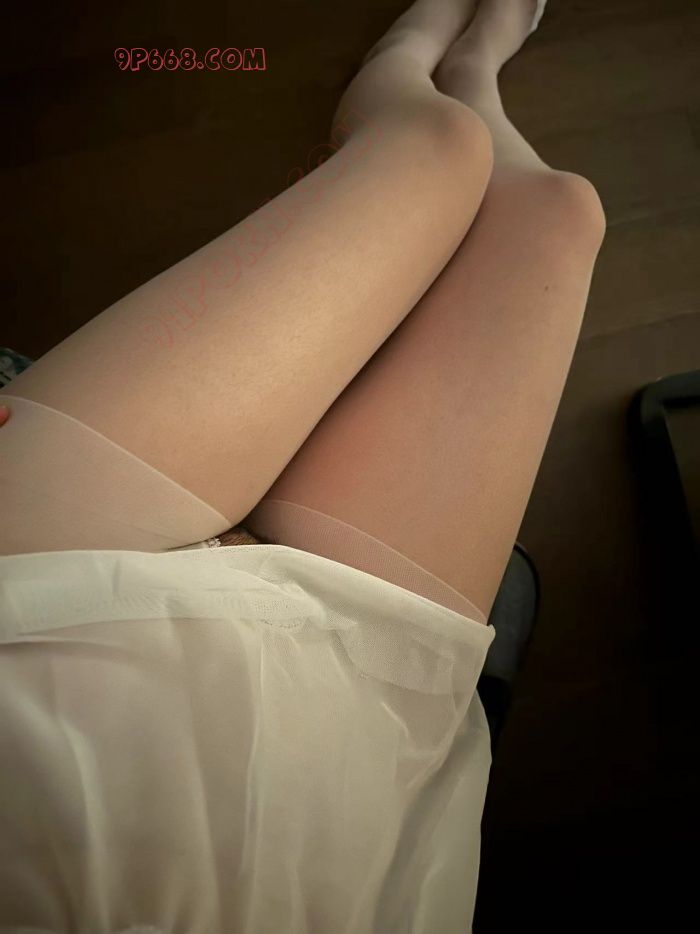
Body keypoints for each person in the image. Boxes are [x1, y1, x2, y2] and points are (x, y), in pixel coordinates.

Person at [0, 0, 605, 930]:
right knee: (558, 214)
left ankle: (414, 59)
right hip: (336, 739)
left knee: (434, 152)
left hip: (39, 601)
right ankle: (471, 73)